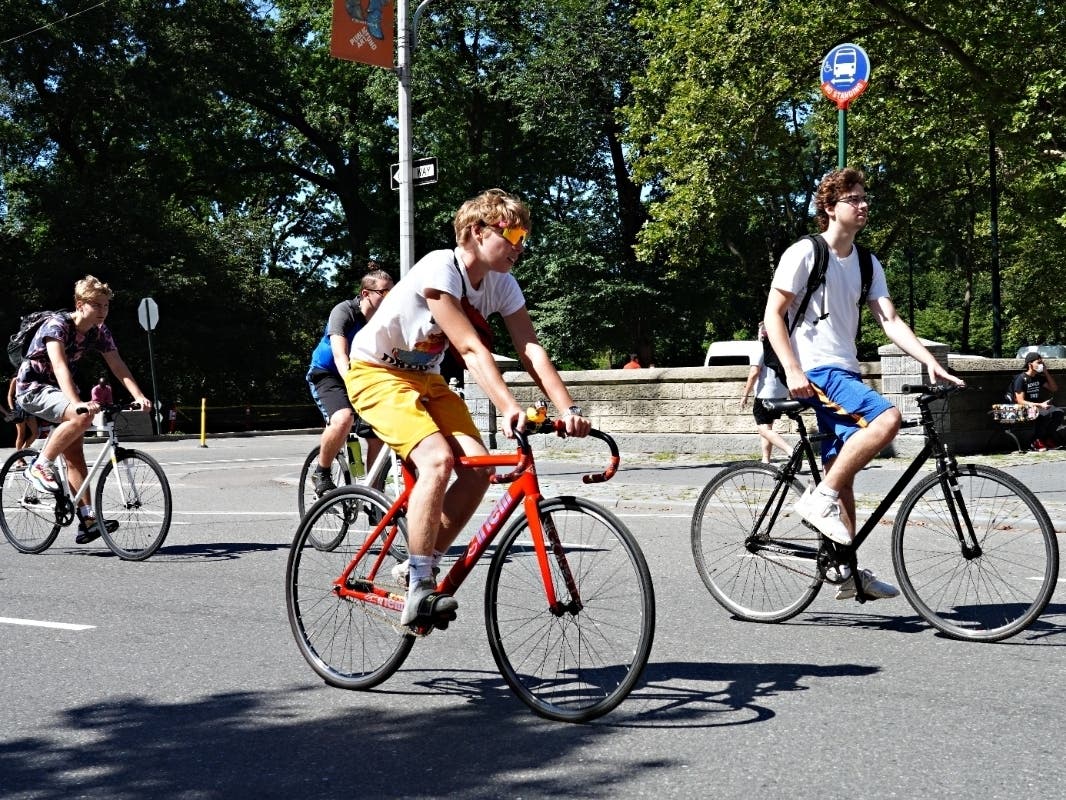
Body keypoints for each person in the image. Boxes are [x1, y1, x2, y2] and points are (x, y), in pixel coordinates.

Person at [346, 188, 592, 627]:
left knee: (479, 469)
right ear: (478, 231)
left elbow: (530, 348)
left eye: (525, 238)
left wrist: (568, 407)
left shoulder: (502, 283)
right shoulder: (440, 266)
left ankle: (420, 562)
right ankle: (420, 585)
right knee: (437, 460)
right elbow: (470, 348)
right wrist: (510, 407)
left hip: (426, 378)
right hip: (376, 372)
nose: (520, 246)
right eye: (513, 234)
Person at [763, 167, 963, 600]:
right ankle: (818, 500)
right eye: (853, 198)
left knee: (843, 473)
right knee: (887, 419)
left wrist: (930, 361)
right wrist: (793, 370)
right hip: (816, 370)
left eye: (864, 196)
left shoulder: (868, 262)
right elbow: (772, 315)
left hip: (845, 370)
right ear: (830, 207)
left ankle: (845, 569)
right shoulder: (805, 252)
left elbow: (890, 320)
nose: (863, 204)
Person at [14, 275, 152, 544]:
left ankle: (87, 521)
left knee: (75, 456)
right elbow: (59, 366)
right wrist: (77, 404)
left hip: (62, 391)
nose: (103, 311)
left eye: (106, 305)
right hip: (33, 388)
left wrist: (139, 395)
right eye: (96, 305)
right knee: (83, 416)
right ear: (80, 304)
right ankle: (39, 465)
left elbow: (117, 365)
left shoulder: (99, 331)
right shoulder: (57, 325)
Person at [306, 265, 394, 497]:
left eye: (392, 292)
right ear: (366, 293)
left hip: (364, 376)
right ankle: (322, 472)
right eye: (384, 292)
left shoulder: (385, 320)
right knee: (343, 419)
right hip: (328, 373)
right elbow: (339, 355)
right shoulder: (345, 311)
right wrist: (355, 387)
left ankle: (374, 495)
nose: (390, 297)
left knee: (379, 433)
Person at [740, 323, 791, 463]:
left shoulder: (760, 346)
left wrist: (745, 394)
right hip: (781, 393)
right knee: (767, 427)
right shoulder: (781, 346)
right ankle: (765, 459)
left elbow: (754, 372)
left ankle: (790, 450)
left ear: (762, 333)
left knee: (763, 429)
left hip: (765, 394)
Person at [1011, 352, 1062, 451]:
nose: (1041, 365)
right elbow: (1020, 401)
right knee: (1044, 413)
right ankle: (1036, 441)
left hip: (1036, 406)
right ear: (1030, 364)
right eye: (1038, 362)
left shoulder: (1038, 378)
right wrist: (1040, 405)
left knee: (1058, 412)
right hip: (1022, 408)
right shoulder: (1021, 379)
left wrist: (1046, 372)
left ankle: (1047, 438)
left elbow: (1054, 388)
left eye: (1042, 363)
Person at [5, 376, 39, 456]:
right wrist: (12, 409)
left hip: (29, 407)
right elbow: (10, 395)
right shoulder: (16, 379)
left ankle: (20, 453)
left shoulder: (31, 378)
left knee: (35, 433)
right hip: (19, 408)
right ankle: (19, 458)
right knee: (21, 434)